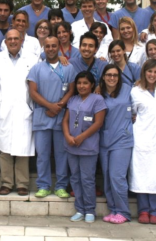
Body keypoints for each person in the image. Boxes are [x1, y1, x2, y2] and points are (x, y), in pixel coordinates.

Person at [28, 36, 76, 198]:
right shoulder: (36, 68)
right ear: (44, 48)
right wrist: (50, 106)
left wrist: (59, 106)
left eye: (53, 46)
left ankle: (61, 186)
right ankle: (43, 185)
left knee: (61, 154)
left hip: (61, 117)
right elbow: (32, 92)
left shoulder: (68, 67)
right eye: (47, 46)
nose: (50, 49)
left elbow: (71, 90)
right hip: (43, 116)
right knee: (42, 154)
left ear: (58, 46)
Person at [0, 30, 37, 196]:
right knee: (4, 148)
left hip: (23, 108)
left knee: (22, 147)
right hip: (4, 108)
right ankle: (6, 182)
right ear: (5, 41)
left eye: (15, 38)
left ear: (21, 40)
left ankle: (22, 183)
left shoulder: (32, 59)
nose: (12, 41)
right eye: (9, 39)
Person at [62, 71, 106, 223]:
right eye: (79, 83)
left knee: (87, 179)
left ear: (92, 84)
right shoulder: (73, 100)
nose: (82, 86)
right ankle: (79, 209)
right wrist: (68, 136)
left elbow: (98, 123)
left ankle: (90, 210)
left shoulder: (97, 100)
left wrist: (81, 137)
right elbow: (65, 121)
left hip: (88, 146)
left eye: (85, 83)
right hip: (72, 146)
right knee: (75, 178)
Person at [130, 59, 156, 225]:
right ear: (144, 72)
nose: (152, 75)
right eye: (149, 71)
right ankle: (143, 210)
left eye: (155, 72)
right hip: (142, 137)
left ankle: (154, 211)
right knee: (142, 174)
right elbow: (132, 113)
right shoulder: (136, 91)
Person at [99, 64, 134, 224]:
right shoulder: (99, 93)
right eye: (108, 75)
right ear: (104, 77)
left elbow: (140, 106)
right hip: (104, 140)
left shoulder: (128, 89)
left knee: (117, 176)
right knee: (107, 176)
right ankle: (113, 210)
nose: (112, 78)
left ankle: (123, 211)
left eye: (115, 75)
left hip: (122, 140)